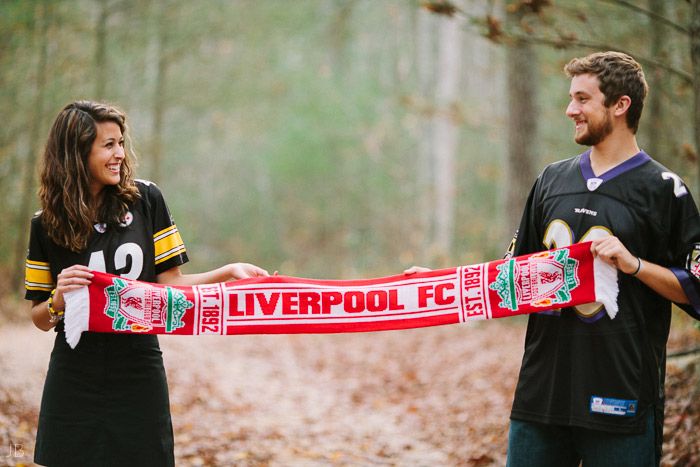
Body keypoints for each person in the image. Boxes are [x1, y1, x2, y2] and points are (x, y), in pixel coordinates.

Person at [24, 100, 270, 467]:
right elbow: (41, 318)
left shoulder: (146, 200)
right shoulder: (45, 224)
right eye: (108, 145)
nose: (120, 154)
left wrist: (228, 270)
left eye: (121, 143)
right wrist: (59, 298)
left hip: (138, 367)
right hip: (73, 374)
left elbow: (172, 283)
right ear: (76, 153)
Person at [501, 52, 700, 466]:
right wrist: (438, 286)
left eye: (582, 99)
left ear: (620, 105)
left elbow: (697, 288)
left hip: (622, 400)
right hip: (543, 396)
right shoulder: (550, 179)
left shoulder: (664, 190)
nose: (570, 109)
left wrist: (636, 265)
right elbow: (512, 279)